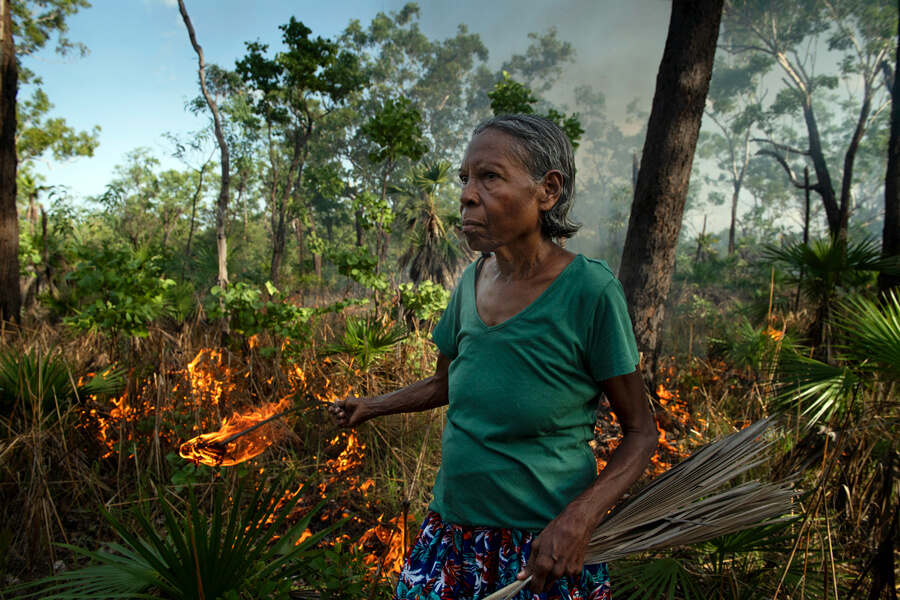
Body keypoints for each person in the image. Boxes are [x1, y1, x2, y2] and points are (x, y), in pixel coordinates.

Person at [328, 114, 658, 600]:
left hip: (541, 549)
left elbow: (640, 432)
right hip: (451, 535)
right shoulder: (470, 281)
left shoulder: (589, 291)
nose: (466, 194)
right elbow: (445, 384)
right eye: (465, 178)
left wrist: (579, 519)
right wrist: (372, 406)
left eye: (490, 177)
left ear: (548, 190)